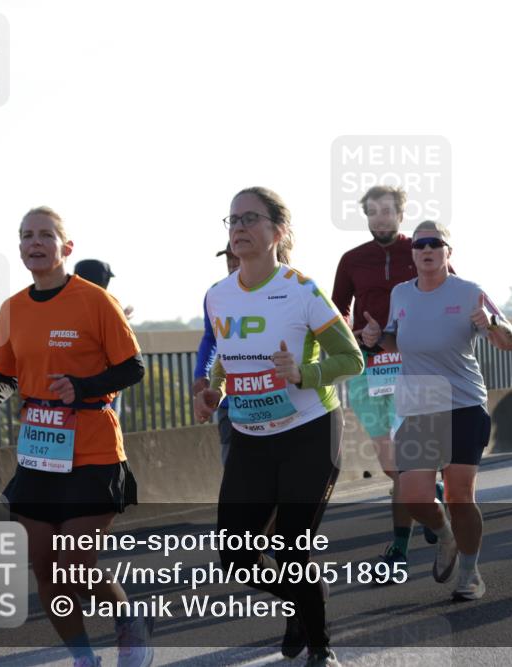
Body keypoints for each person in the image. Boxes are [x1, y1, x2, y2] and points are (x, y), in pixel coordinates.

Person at [0, 207, 151, 667]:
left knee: (74, 567)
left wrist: (83, 386)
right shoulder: (12, 309)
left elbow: (133, 367)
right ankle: (83, 657)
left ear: (66, 247)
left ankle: (129, 622)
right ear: (20, 247)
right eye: (27, 235)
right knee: (46, 569)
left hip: (93, 450)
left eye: (46, 235)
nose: (35, 242)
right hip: (39, 453)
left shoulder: (95, 301)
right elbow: (7, 376)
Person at [194, 187, 363, 667]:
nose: (239, 228)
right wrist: (213, 390)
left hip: (310, 431)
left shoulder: (302, 290)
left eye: (250, 218)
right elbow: (228, 358)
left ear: (278, 231)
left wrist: (303, 373)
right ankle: (304, 597)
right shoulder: (218, 295)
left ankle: (321, 648)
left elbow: (352, 359)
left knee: (291, 549)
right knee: (236, 556)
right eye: (232, 220)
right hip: (250, 436)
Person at [360, 220, 512, 601]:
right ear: (412, 253)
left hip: (464, 404)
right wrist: (376, 338)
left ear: (448, 251)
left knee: (460, 495)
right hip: (419, 407)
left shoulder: (470, 292)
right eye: (420, 244)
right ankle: (446, 536)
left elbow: (509, 341)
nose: (427, 250)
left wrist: (493, 323)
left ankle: (470, 573)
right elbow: (396, 341)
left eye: (434, 243)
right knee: (413, 495)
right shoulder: (401, 294)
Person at [331, 185, 447, 574]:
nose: (380, 218)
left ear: (400, 213)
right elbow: (337, 311)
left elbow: (448, 293)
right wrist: (356, 334)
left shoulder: (419, 250)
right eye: (372, 212)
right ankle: (428, 495)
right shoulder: (352, 259)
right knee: (389, 463)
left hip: (413, 366)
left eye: (386, 211)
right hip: (368, 368)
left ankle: (399, 546)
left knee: (409, 457)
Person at [192, 243, 241, 465]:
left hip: (268, 399)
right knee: (232, 466)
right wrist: (200, 373)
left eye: (237, 257)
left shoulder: (275, 291)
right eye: (229, 258)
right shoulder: (215, 294)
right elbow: (211, 338)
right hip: (229, 401)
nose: (232, 263)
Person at [75, 259, 134, 419]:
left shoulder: (66, 303)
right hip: (103, 382)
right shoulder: (105, 304)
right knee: (107, 416)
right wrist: (121, 319)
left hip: (72, 386)